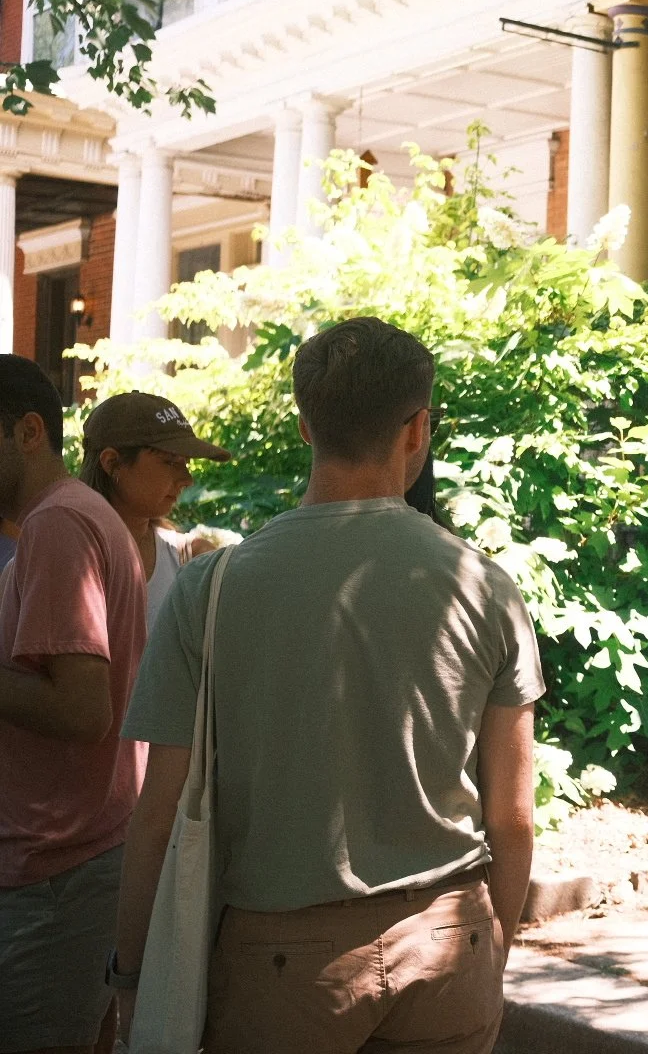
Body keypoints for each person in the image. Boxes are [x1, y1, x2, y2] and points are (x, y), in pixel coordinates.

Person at [112, 318, 544, 1052]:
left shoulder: (213, 588)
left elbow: (158, 812)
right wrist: (493, 944)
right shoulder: (485, 585)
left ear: (306, 426)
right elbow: (513, 814)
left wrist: (129, 977)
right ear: (419, 429)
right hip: (449, 939)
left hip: (281, 962)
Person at [0, 355, 147, 1054]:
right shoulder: (75, 519)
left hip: (57, 874)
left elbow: (85, 712)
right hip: (74, 865)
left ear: (28, 431)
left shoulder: (60, 525)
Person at [78, 391, 232, 630]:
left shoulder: (190, 558)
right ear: (111, 462)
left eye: (186, 464)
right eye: (170, 462)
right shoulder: (65, 557)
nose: (187, 479)